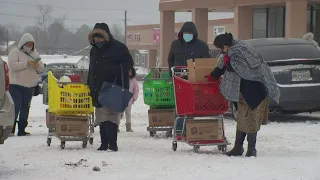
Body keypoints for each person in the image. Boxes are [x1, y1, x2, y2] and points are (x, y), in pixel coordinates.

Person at [208, 33, 280, 157]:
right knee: (243, 118)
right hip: (243, 90)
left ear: (226, 46)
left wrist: (228, 63)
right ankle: (238, 147)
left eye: (220, 48)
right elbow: (222, 66)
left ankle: (251, 149)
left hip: (255, 90)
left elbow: (243, 70)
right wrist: (214, 74)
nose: (220, 51)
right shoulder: (231, 51)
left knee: (251, 120)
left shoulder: (240, 51)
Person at [87, 23, 134, 151]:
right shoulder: (94, 50)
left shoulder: (119, 47)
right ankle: (103, 143)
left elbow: (129, 63)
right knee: (101, 116)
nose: (98, 41)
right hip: (98, 86)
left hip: (114, 86)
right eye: (95, 38)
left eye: (100, 38)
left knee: (111, 116)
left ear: (106, 36)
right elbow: (91, 69)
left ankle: (112, 143)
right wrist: (89, 84)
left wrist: (115, 69)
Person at [8, 33, 44, 136]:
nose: (29, 46)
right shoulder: (15, 52)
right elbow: (12, 65)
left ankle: (22, 129)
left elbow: (41, 68)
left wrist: (37, 65)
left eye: (31, 44)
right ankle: (11, 128)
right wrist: (26, 64)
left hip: (30, 86)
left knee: (25, 107)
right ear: (22, 44)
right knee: (16, 106)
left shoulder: (35, 54)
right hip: (16, 85)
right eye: (27, 44)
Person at [119, 67, 139, 132]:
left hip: (129, 100)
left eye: (130, 71)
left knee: (128, 114)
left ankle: (128, 127)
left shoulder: (133, 81)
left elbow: (136, 89)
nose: (129, 73)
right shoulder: (122, 79)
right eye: (128, 71)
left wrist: (134, 98)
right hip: (121, 100)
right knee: (119, 114)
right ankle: (116, 126)